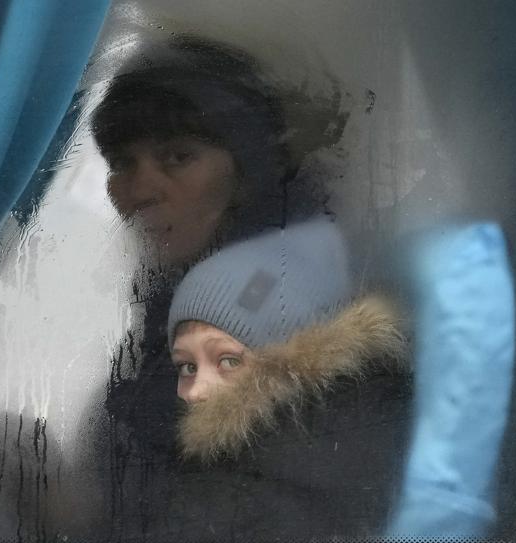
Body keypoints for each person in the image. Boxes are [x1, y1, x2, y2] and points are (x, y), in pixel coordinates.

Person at [82, 35, 346, 541]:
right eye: (122, 164)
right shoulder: (188, 289)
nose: (138, 191)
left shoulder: (270, 301)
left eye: (177, 157)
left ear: (248, 169)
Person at [148, 217, 411, 541]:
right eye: (187, 367)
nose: (195, 392)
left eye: (228, 360)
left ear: (295, 365)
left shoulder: (270, 499)